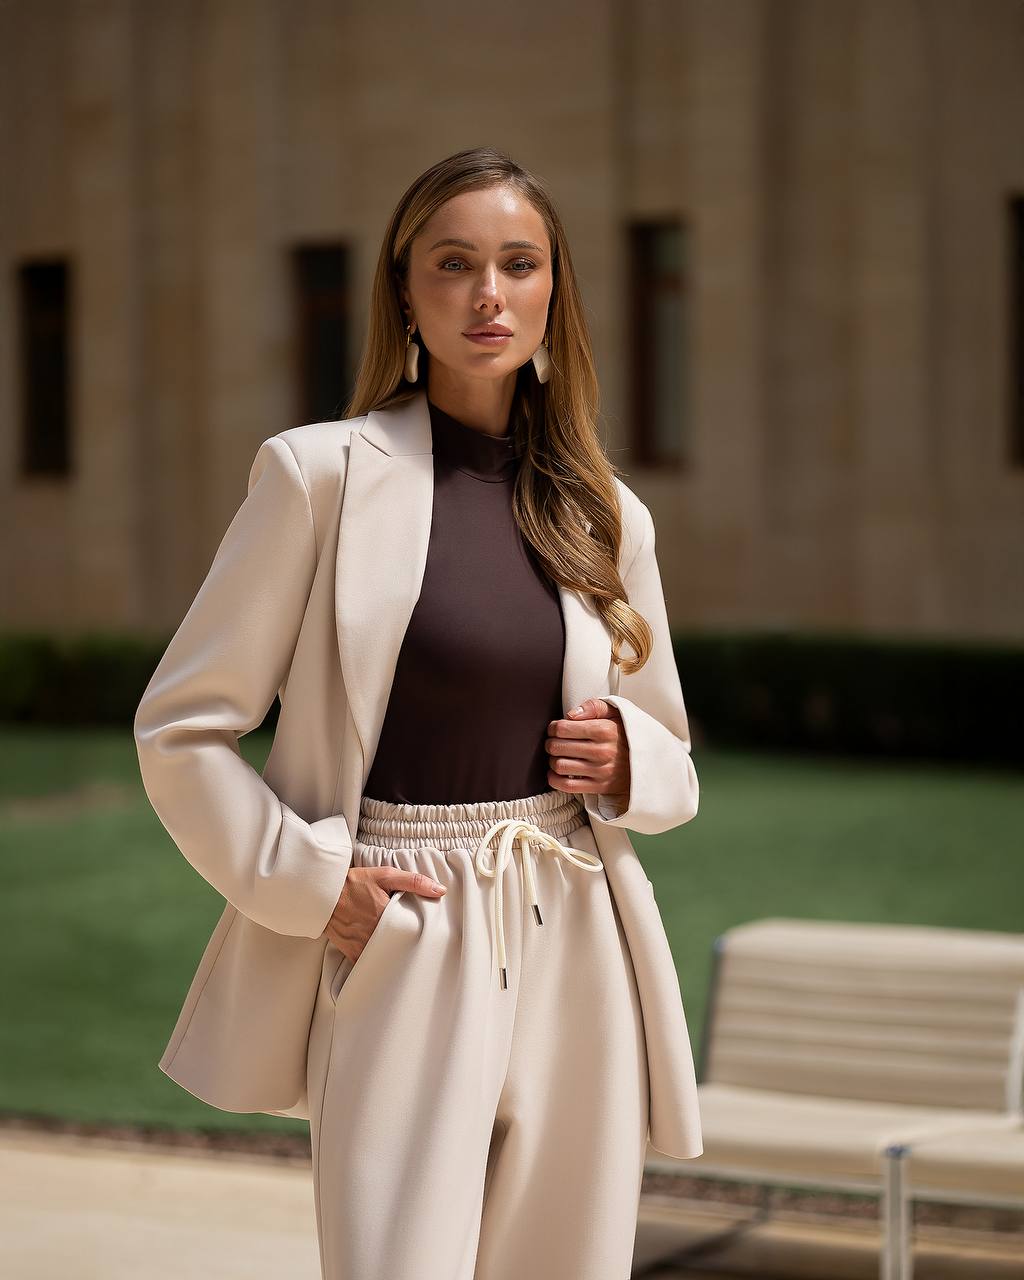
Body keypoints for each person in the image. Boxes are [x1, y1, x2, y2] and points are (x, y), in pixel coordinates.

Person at [135, 145, 702, 1280]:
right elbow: (182, 724)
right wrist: (314, 887)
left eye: (517, 264)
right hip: (405, 919)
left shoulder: (604, 511)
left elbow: (674, 761)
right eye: (454, 264)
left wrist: (628, 756)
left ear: (553, 288)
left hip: (576, 924)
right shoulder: (317, 477)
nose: (488, 296)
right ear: (406, 289)